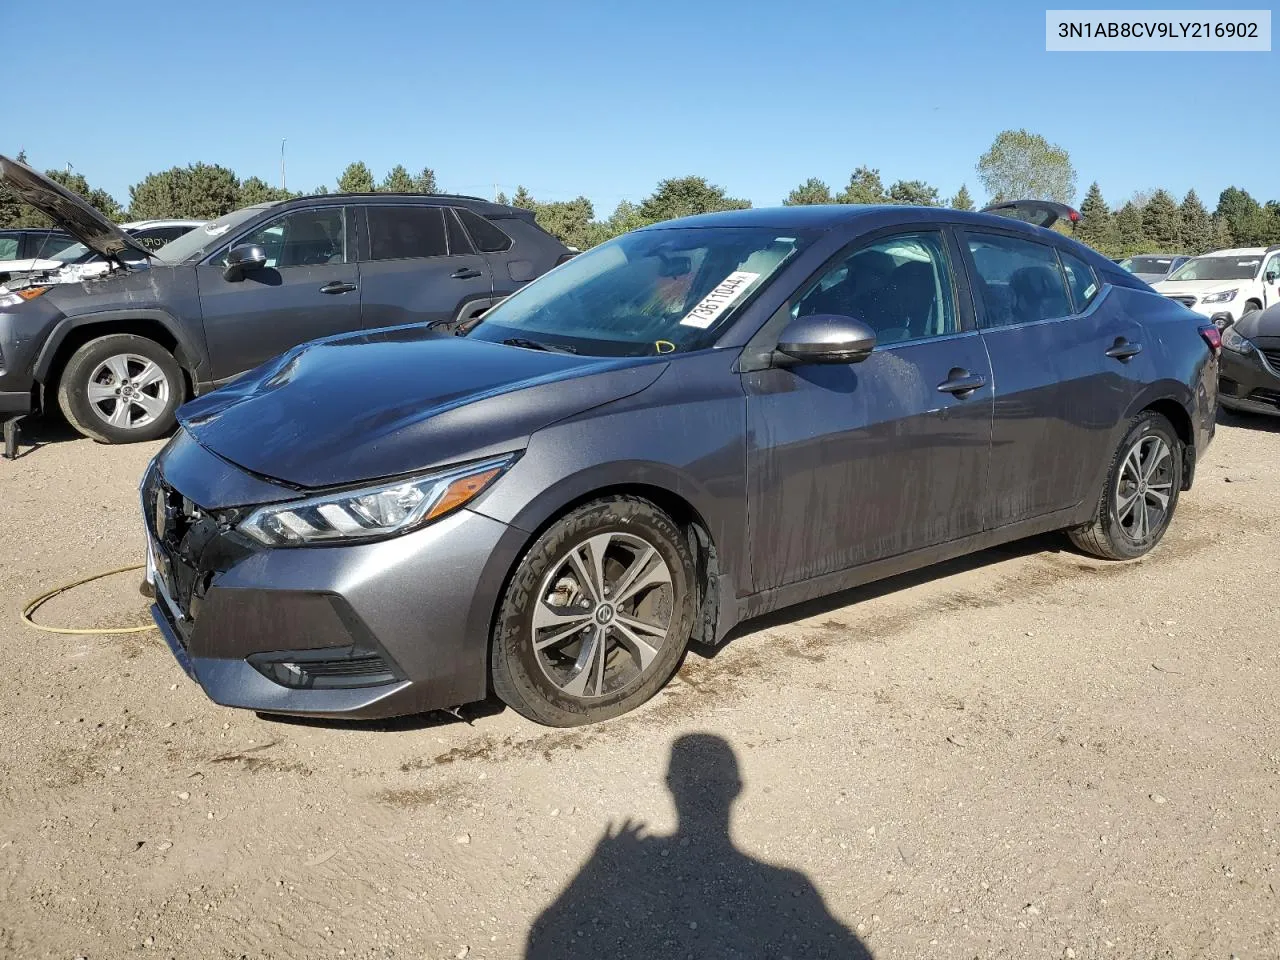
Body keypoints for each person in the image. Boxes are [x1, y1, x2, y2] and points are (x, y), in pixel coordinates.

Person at [525, 733, 870, 959]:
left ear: (668, 785)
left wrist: (595, 866)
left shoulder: (627, 860)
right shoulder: (793, 885)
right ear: (737, 788)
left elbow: (540, 938)